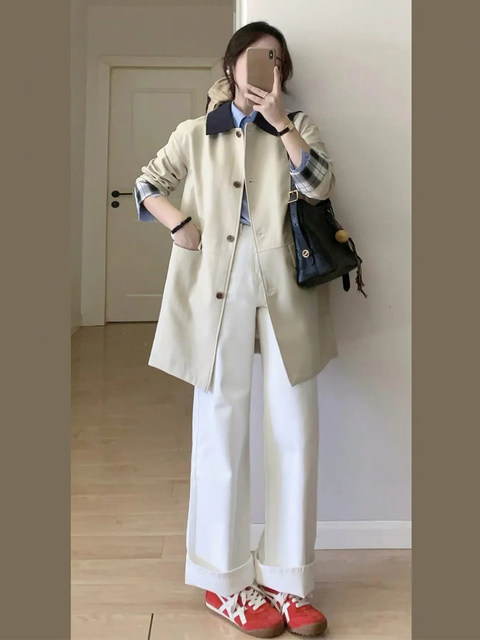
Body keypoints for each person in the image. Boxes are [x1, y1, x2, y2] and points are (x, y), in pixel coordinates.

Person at [134, 21, 338, 638]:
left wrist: (280, 125)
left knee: (295, 428)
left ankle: (288, 580)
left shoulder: (297, 127)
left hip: (288, 286)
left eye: (275, 60)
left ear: (283, 72)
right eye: (254, 58)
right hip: (217, 284)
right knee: (220, 426)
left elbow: (320, 185)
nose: (263, 69)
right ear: (231, 66)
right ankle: (224, 583)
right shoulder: (195, 132)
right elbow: (147, 184)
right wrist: (178, 225)